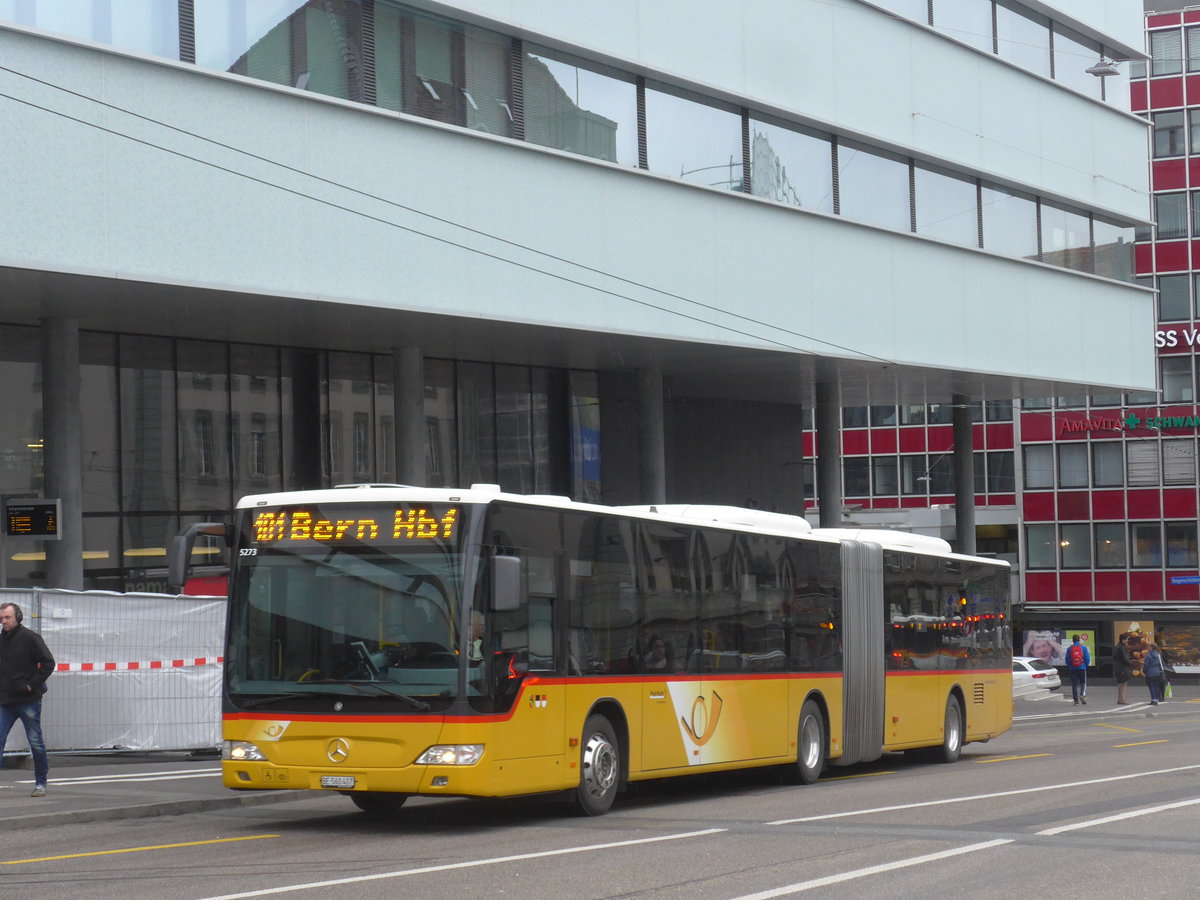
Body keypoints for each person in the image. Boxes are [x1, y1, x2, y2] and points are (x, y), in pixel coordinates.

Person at [0, 602, 55, 797]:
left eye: (7, 617)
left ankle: (41, 782)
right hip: (5, 700)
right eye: (1, 618)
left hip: (28, 699)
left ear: (18, 617)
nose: (4, 621)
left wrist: (32, 684)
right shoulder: (2, 640)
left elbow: (49, 662)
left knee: (35, 741)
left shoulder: (30, 638)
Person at [1064, 634, 1090, 705]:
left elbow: (1067, 659)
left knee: (1074, 684)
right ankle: (1082, 695)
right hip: (1082, 667)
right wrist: (1085, 665)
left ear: (1073, 640)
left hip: (1072, 668)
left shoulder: (1069, 648)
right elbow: (1087, 658)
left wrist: (1070, 666)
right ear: (1079, 640)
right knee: (1083, 683)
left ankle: (1076, 700)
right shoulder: (1083, 648)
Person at [1114, 632, 1134, 705]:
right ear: (1123, 640)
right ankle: (1122, 699)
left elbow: (1115, 658)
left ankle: (1120, 699)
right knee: (1123, 684)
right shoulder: (1122, 647)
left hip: (1119, 667)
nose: (1128, 641)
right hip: (1123, 667)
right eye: (1127, 639)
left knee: (1121, 683)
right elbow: (1125, 658)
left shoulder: (1117, 646)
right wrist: (1132, 664)